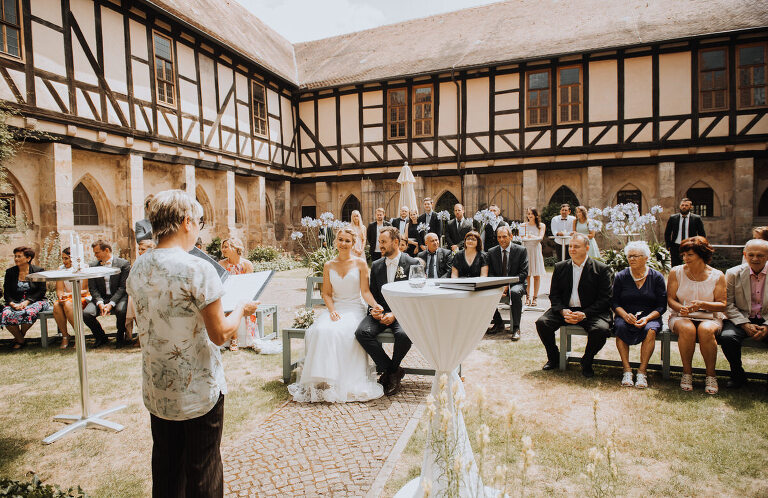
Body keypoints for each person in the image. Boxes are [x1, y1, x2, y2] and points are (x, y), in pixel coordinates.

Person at [126, 189, 259, 498]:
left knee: (166, 469)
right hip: (196, 388)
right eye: (200, 221)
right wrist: (240, 307)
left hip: (158, 387)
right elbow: (221, 334)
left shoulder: (139, 266)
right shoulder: (197, 268)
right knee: (203, 469)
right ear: (186, 222)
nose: (200, 226)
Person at [289, 228, 384, 402]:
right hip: (336, 308)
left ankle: (342, 381)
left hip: (354, 308)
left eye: (347, 240)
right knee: (320, 331)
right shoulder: (328, 265)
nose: (343, 243)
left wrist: (375, 305)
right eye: (340, 239)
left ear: (353, 243)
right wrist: (332, 311)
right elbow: (326, 293)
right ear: (335, 242)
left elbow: (365, 292)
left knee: (339, 332)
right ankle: (321, 381)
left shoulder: (360, 264)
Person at [535, 233, 612, 377]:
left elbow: (605, 299)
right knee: (542, 323)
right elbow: (554, 295)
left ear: (587, 248)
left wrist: (584, 314)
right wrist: (563, 311)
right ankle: (554, 358)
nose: (572, 249)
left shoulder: (601, 269)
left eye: (576, 246)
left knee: (601, 330)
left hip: (591, 311)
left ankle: (587, 360)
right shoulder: (560, 267)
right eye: (570, 246)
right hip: (566, 309)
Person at [355, 226, 419, 396]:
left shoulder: (413, 263)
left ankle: (390, 372)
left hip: (403, 313)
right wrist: (374, 309)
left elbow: (416, 296)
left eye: (383, 242)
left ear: (396, 242)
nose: (380, 245)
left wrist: (395, 314)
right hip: (381, 312)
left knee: (404, 335)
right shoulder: (376, 265)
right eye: (379, 242)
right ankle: (393, 371)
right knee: (362, 332)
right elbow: (372, 294)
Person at [667, 236, 726, 394]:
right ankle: (687, 373)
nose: (685, 258)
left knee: (705, 330)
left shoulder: (717, 275)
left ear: (702, 254)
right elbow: (671, 299)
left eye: (690, 255)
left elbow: (722, 304)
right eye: (683, 255)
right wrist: (681, 309)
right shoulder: (676, 272)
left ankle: (711, 375)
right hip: (682, 316)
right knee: (687, 329)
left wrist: (702, 305)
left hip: (710, 317)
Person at [611, 241, 667, 388]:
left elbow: (662, 306)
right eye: (629, 256)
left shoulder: (656, 277)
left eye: (636, 256)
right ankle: (627, 370)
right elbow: (614, 302)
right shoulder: (621, 276)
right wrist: (624, 315)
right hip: (626, 314)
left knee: (650, 330)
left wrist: (647, 318)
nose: (632, 259)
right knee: (620, 327)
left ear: (646, 258)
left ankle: (642, 372)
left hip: (650, 315)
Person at [719, 239, 768, 389]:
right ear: (744, 255)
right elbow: (727, 304)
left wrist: (767, 326)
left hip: (766, 318)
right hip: (740, 318)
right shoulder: (733, 273)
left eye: (760, 255)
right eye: (751, 255)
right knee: (727, 337)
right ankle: (737, 375)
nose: (755, 259)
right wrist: (744, 324)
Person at [83, 240, 131, 348]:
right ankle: (101, 337)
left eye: (97, 252)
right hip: (101, 298)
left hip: (118, 297)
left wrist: (111, 303)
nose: (95, 255)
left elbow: (123, 287)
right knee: (86, 314)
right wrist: (100, 303)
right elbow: (93, 288)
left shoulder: (123, 264)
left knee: (121, 310)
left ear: (106, 250)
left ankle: (120, 337)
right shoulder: (92, 266)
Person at [486, 225, 528, 340]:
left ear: (511, 236)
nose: (501, 240)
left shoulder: (521, 250)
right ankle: (499, 323)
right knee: (484, 292)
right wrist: (500, 286)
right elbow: (490, 274)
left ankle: (516, 328)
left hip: (517, 283)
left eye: (504, 236)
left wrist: (507, 286)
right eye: (499, 237)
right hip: (498, 284)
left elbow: (523, 273)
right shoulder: (492, 252)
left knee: (514, 293)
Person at [1, 246, 47, 349]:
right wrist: (12, 303)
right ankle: (21, 339)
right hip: (15, 302)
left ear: (28, 258)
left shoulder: (38, 271)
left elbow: (41, 291)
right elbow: (7, 292)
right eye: (15, 256)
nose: (16, 259)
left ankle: (19, 338)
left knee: (29, 312)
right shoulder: (10, 272)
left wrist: (27, 302)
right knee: (6, 313)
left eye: (19, 256)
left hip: (35, 301)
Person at [218, 237, 255, 352]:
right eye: (222, 247)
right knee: (229, 301)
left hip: (243, 293)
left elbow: (250, 285)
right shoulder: (222, 264)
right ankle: (233, 338)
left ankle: (236, 339)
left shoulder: (246, 264)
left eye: (226, 247)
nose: (223, 249)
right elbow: (219, 284)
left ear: (235, 248)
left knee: (236, 302)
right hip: (227, 293)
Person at [52, 247, 91, 349]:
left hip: (81, 296)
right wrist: (61, 297)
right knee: (56, 304)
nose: (64, 261)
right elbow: (59, 289)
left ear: (72, 258)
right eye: (63, 259)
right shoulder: (60, 270)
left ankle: (79, 336)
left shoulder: (84, 268)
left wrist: (70, 295)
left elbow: (85, 290)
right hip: (67, 297)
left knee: (68, 304)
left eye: (66, 258)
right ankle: (65, 336)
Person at [125, 239, 155, 346]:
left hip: (151, 292)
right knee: (132, 301)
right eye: (139, 249)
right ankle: (141, 335)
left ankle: (147, 336)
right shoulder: (136, 263)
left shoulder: (154, 262)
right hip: (138, 292)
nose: (140, 252)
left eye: (143, 249)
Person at [664, 198, 706, 267]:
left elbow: (702, 234)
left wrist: (699, 246)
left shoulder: (696, 218)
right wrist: (669, 246)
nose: (684, 207)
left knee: (691, 266)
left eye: (686, 205)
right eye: (682, 205)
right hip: (676, 246)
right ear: (680, 206)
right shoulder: (673, 218)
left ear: (690, 207)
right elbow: (667, 233)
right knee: (675, 267)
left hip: (691, 246)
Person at [521, 207, 546, 307]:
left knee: (536, 275)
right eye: (528, 213)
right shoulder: (523, 225)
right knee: (527, 275)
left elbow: (540, 237)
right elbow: (522, 238)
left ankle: (535, 298)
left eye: (531, 214)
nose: (529, 215)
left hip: (536, 250)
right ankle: (527, 297)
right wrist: (529, 238)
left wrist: (532, 237)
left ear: (536, 215)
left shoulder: (541, 225)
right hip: (526, 250)